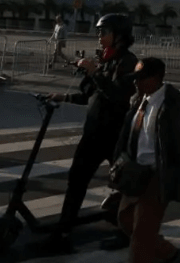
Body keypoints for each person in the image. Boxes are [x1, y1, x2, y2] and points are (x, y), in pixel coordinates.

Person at [38, 14, 139, 254]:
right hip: (92, 135)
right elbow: (89, 96)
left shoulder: (128, 62)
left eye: (104, 32)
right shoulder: (104, 60)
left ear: (119, 35)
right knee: (76, 182)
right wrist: (64, 96)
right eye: (99, 32)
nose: (99, 36)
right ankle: (62, 233)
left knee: (126, 187)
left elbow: (117, 95)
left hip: (115, 136)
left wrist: (95, 72)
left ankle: (128, 233)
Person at [113, 57, 180, 263]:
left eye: (141, 78)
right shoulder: (138, 99)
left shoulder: (172, 104)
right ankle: (166, 251)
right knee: (125, 220)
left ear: (156, 79)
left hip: (157, 176)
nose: (136, 82)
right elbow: (128, 135)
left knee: (141, 237)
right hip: (134, 172)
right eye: (135, 78)